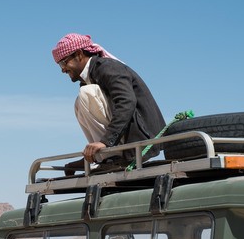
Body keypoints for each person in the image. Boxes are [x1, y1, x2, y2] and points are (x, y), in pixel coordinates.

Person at [52, 33, 165, 173]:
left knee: (86, 94)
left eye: (63, 62)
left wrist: (105, 142)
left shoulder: (107, 68)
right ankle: (100, 156)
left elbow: (126, 101)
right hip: (125, 138)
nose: (62, 69)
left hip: (143, 137)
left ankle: (110, 155)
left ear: (79, 54)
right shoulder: (90, 76)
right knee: (79, 102)